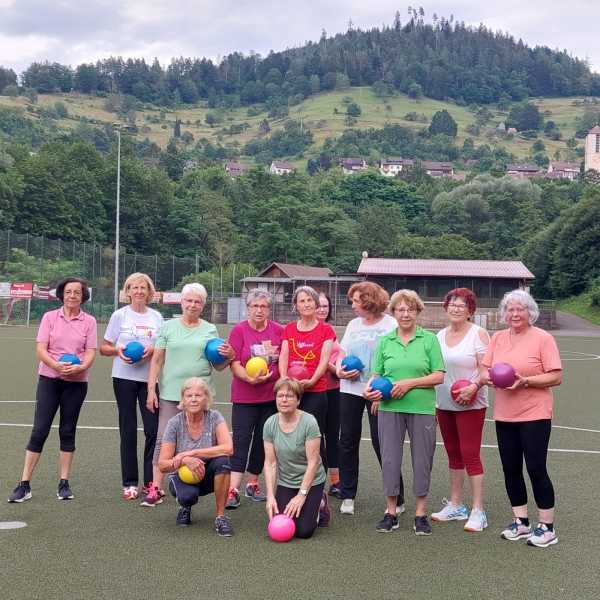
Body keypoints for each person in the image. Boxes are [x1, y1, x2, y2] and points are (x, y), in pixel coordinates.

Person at [482, 290, 562, 548]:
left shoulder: (543, 338)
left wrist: (525, 381)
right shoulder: (498, 338)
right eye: (510, 309)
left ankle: (547, 527)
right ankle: (521, 521)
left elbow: (555, 376)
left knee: (536, 468)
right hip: (505, 415)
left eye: (520, 309)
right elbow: (484, 369)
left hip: (535, 413)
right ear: (504, 313)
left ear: (530, 312)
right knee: (510, 468)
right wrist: (489, 378)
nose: (515, 314)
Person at [143, 282, 234, 506]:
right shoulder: (168, 327)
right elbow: (157, 360)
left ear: (203, 305)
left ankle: (199, 480)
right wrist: (151, 389)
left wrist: (230, 357)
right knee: (163, 438)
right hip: (171, 392)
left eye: (197, 302)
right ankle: (156, 487)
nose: (192, 305)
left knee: (204, 438)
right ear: (181, 302)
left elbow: (218, 365)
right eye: (189, 300)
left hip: (200, 394)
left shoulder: (209, 329)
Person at [8, 277, 97, 503]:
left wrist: (81, 367)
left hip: (76, 383)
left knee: (67, 431)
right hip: (49, 379)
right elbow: (41, 349)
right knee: (39, 430)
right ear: (62, 294)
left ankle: (64, 483)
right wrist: (56, 366)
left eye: (77, 292)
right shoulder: (49, 317)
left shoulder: (89, 321)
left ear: (83, 296)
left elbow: (90, 351)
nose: (72, 295)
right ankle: (24, 484)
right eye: (68, 291)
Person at [368, 289, 445, 536]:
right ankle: (391, 512)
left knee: (422, 461)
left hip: (422, 408)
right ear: (393, 312)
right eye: (400, 309)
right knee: (390, 460)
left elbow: (439, 376)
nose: (405, 314)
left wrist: (409, 384)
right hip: (389, 408)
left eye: (410, 309)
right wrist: (371, 391)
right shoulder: (385, 341)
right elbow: (376, 375)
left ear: (418, 311)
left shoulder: (429, 340)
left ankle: (420, 514)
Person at [335, 282, 404, 516]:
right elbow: (342, 354)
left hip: (379, 392)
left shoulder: (391, 324)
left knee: (382, 443)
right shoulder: (353, 324)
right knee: (347, 441)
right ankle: (347, 495)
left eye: (356, 301)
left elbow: (396, 359)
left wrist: (381, 393)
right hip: (350, 390)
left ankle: (397, 497)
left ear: (369, 301)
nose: (352, 305)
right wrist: (340, 370)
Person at [100, 273, 164, 501]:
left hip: (150, 380)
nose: (138, 291)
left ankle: (150, 482)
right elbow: (104, 347)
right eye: (134, 287)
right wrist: (118, 351)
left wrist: (152, 350)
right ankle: (129, 483)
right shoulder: (119, 315)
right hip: (123, 378)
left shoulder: (157, 317)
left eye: (143, 287)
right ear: (127, 292)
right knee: (127, 429)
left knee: (153, 430)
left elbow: (163, 347)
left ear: (149, 292)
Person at [432, 288, 490, 532]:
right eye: (452, 304)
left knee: (470, 454)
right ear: (446, 307)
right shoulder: (439, 335)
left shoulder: (478, 334)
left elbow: (486, 370)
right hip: (444, 403)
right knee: (453, 454)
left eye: (462, 305)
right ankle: (456, 505)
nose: (456, 308)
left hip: (470, 404)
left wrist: (473, 387)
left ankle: (478, 510)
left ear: (470, 310)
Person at [279, 286, 335, 525]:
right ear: (296, 306)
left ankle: (319, 495)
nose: (306, 304)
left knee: (314, 443)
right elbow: (284, 356)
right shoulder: (289, 329)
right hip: (292, 393)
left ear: (316, 304)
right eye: (302, 301)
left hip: (315, 392)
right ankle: (294, 487)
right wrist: (286, 382)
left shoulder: (326, 329)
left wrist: (311, 381)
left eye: (310, 300)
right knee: (291, 441)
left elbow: (324, 360)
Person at [225, 289, 283, 509]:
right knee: (241, 441)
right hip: (244, 397)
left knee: (263, 441)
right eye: (255, 306)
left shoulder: (278, 330)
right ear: (248, 308)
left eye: (264, 306)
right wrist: (249, 379)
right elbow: (234, 363)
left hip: (270, 397)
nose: (259, 310)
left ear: (269, 309)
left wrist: (274, 377)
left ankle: (253, 483)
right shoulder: (239, 330)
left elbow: (282, 361)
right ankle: (232, 490)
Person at [158, 377, 234, 536]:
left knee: (223, 461)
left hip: (207, 474)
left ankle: (220, 517)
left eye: (198, 395)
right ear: (183, 399)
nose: (193, 399)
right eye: (189, 395)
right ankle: (185, 507)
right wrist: (184, 460)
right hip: (182, 476)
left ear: (206, 398)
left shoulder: (214, 417)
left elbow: (228, 448)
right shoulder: (174, 423)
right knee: (188, 497)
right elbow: (163, 464)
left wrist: (192, 453)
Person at [263, 378, 327, 539]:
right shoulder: (270, 423)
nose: (284, 400)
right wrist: (270, 496)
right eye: (280, 396)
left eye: (289, 396)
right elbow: (270, 463)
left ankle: (321, 503)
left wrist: (301, 495)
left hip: (312, 481)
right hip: (286, 481)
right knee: (282, 520)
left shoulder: (309, 422)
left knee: (303, 531)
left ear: (298, 400)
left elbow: (313, 462)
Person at [315, 292, 342, 498]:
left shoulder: (330, 329)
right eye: (319, 305)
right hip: (314, 390)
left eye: (325, 306)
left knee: (333, 436)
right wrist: (333, 368)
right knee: (316, 436)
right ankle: (317, 480)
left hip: (334, 389)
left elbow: (338, 355)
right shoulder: (305, 330)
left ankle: (336, 481)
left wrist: (338, 367)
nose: (322, 309)